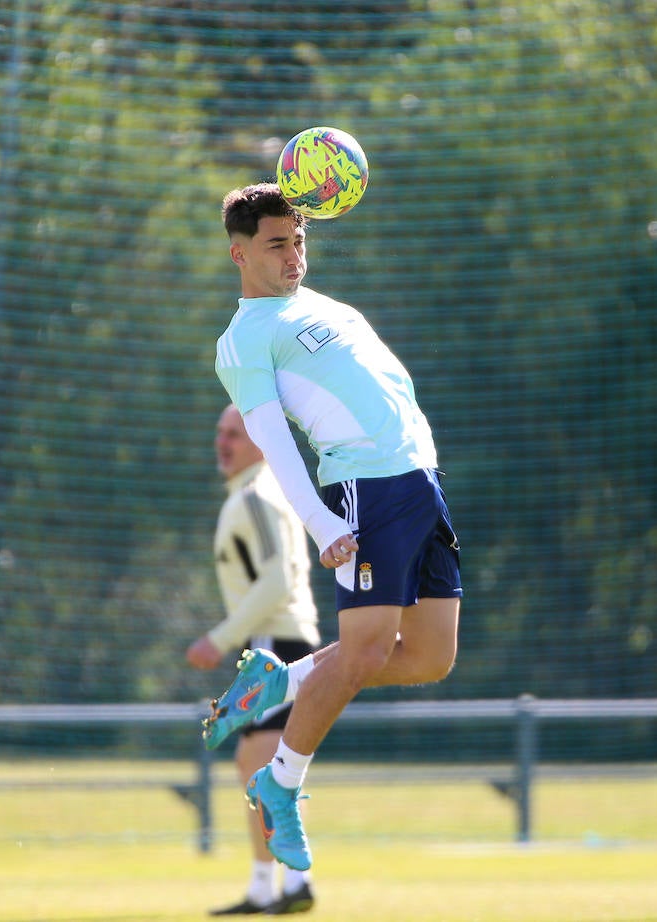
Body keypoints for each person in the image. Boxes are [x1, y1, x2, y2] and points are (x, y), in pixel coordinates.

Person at [203, 183, 462, 873]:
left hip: (420, 485)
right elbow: (275, 443)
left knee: (433, 656)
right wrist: (320, 523)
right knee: (365, 653)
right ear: (239, 253)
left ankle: (278, 683)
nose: (294, 256)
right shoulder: (244, 339)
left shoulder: (327, 306)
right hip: (362, 490)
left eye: (300, 241)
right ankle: (280, 783)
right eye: (277, 244)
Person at [186, 404, 322, 915]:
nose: (222, 442)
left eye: (235, 435)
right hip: (267, 644)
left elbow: (279, 583)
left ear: (262, 443)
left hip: (277, 645)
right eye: (219, 432)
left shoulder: (257, 496)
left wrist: (220, 639)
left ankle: (291, 885)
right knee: (254, 764)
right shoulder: (249, 494)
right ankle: (271, 887)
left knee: (263, 764)